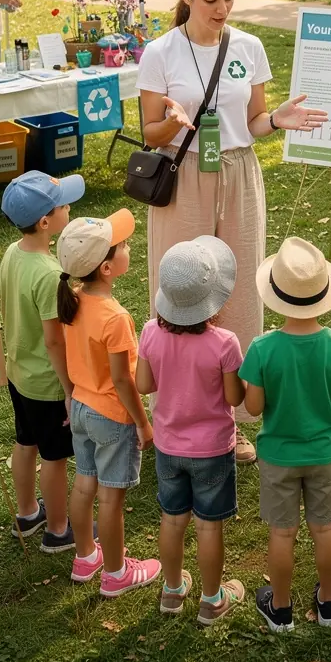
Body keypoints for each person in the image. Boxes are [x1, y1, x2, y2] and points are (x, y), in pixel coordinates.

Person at [137, 0, 326, 462]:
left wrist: (279, 120)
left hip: (239, 171)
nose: (222, 10)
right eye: (211, 0)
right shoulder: (160, 52)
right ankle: (174, 415)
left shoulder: (249, 47)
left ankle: (236, 420)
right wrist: (175, 121)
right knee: (181, 283)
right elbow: (150, 131)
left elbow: (256, 120)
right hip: (183, 171)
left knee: (240, 286)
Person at [241, 237, 331, 631]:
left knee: (282, 531)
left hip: (278, 456)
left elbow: (254, 408)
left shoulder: (262, 348)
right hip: (325, 453)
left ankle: (280, 607)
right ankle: (329, 603)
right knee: (324, 529)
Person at [136, 237, 246, 624]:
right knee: (208, 525)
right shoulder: (225, 343)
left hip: (168, 446)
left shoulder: (150, 332)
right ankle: (213, 599)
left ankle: (171, 590)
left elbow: (144, 384)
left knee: (172, 519)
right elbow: (235, 397)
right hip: (213, 449)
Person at [57, 209, 161, 597]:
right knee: (111, 499)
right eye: (123, 246)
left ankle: (86, 556)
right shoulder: (116, 318)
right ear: (106, 268)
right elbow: (122, 379)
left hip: (81, 408)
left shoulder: (72, 302)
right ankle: (116, 574)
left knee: (84, 484)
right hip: (110, 416)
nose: (128, 248)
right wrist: (142, 422)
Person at [0, 171, 85, 552]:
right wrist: (69, 390)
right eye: (64, 204)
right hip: (48, 385)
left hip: (18, 374)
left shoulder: (13, 253)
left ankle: (27, 512)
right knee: (55, 457)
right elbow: (54, 340)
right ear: (46, 222)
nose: (70, 206)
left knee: (25, 442)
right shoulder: (52, 275)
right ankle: (58, 529)